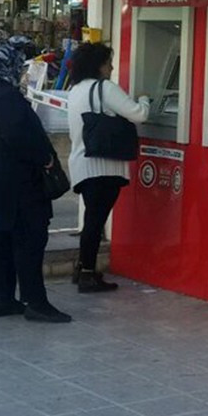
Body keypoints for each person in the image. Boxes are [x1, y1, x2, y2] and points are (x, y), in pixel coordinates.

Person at [0, 37, 72, 322]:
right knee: (30, 240)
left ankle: (3, 298)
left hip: (1, 183)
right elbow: (17, 134)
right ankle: (35, 301)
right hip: (19, 183)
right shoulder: (6, 96)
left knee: (2, 241)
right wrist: (44, 158)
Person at [66, 42, 149, 293]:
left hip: (82, 164)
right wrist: (145, 99)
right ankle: (88, 275)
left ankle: (84, 268)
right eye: (108, 63)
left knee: (92, 219)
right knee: (95, 220)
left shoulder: (75, 90)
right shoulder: (105, 88)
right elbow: (139, 114)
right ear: (98, 65)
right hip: (102, 167)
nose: (111, 68)